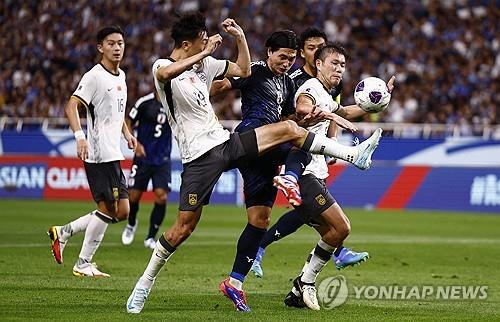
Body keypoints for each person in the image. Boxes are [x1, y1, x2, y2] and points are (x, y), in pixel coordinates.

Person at [126, 13, 382, 314]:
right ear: (187, 43)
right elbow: (168, 74)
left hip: (225, 142)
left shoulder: (209, 66)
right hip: (197, 156)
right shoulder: (163, 66)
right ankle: (144, 284)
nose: (207, 44)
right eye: (202, 41)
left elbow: (243, 68)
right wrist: (207, 53)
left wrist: (240, 38)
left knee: (288, 142)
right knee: (183, 228)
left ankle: (349, 157)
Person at [282, 43, 394, 310]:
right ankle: (305, 282)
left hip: (316, 173)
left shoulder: (327, 94)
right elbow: (302, 108)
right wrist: (311, 113)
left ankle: (298, 292)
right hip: (305, 173)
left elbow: (345, 112)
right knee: (341, 228)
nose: (339, 69)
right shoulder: (310, 89)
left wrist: (379, 99)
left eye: (342, 65)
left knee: (333, 233)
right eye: (334, 63)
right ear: (318, 64)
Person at [250, 28, 368, 279]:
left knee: (308, 215)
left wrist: (334, 139)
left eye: (322, 47)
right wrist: (315, 117)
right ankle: (328, 258)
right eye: (313, 48)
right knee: (328, 220)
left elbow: (339, 111)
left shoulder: (328, 85)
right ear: (305, 54)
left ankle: (325, 257)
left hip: (316, 156)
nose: (319, 52)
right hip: (300, 157)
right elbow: (294, 113)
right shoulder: (296, 80)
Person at [47, 25, 137, 277]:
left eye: (120, 42)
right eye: (111, 43)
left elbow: (117, 113)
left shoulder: (121, 76)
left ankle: (64, 232)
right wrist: (80, 137)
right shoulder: (94, 76)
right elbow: (70, 106)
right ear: (100, 47)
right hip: (98, 152)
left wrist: (128, 135)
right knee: (109, 209)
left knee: (123, 211)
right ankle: (83, 263)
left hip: (114, 152)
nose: (117, 47)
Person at [121, 92, 172, 250]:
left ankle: (150, 236)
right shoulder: (144, 102)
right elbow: (128, 121)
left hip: (162, 159)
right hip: (143, 158)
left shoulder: (174, 101)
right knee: (133, 196)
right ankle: (131, 224)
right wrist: (134, 143)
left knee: (161, 196)